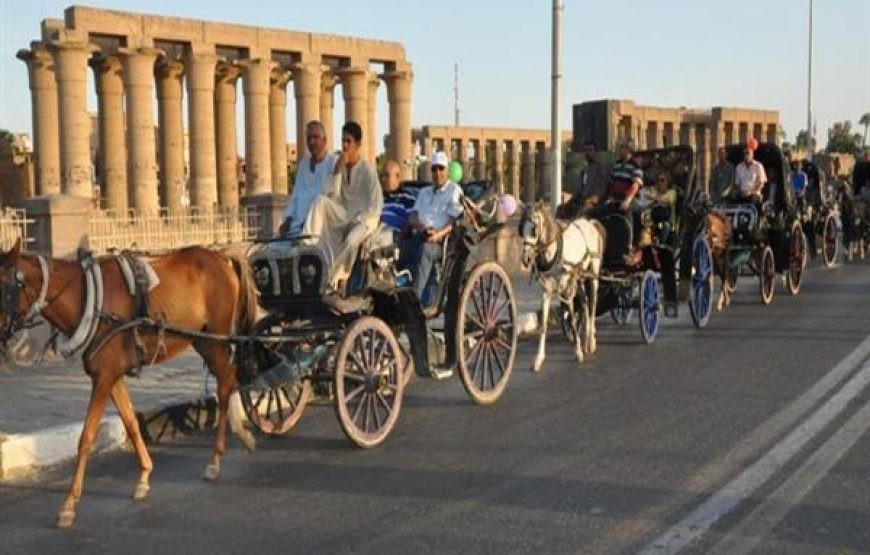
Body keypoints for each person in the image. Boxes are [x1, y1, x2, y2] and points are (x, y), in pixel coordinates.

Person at [303, 121, 382, 293]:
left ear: (358, 145)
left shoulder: (368, 171)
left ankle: (334, 278)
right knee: (320, 201)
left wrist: (356, 222)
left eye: (349, 142)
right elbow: (331, 195)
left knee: (352, 240)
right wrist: (338, 171)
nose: (345, 146)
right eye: (343, 141)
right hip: (344, 215)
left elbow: (375, 208)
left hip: (363, 221)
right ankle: (307, 250)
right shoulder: (340, 166)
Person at [405, 151, 464, 379]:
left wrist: (438, 234)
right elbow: (413, 216)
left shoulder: (453, 191)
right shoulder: (423, 193)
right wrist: (421, 228)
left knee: (427, 251)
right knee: (396, 249)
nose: (437, 173)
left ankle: (416, 301)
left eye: (441, 169)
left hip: (442, 243)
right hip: (422, 233)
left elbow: (455, 220)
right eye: (434, 169)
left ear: (447, 170)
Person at [279, 121, 337, 236]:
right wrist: (288, 218)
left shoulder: (333, 163)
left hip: (319, 227)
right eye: (309, 138)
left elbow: (332, 196)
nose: (312, 141)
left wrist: (310, 221)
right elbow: (295, 194)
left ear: (324, 140)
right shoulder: (304, 163)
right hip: (296, 225)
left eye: (316, 137)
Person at [558, 140, 608, 218]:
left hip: (594, 202)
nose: (588, 153)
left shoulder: (600, 169)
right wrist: (570, 201)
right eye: (586, 151)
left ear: (595, 152)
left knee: (581, 212)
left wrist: (592, 199)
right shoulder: (584, 170)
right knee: (561, 209)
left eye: (590, 150)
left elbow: (602, 189)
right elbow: (581, 190)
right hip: (582, 200)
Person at [380, 160, 416, 236]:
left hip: (392, 235)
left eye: (386, 175)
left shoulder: (407, 198)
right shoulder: (377, 197)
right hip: (373, 232)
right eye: (382, 175)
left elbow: (412, 222)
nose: (383, 179)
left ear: (398, 177)